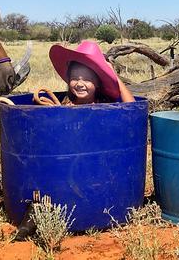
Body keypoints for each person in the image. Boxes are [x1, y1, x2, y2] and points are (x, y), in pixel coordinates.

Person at [14, 40, 134, 241]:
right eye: (75, 78)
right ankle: (37, 214)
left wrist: (114, 76)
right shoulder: (63, 104)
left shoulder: (105, 104)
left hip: (94, 172)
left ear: (97, 82)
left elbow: (130, 106)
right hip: (67, 170)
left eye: (87, 79)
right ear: (68, 79)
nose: (80, 83)